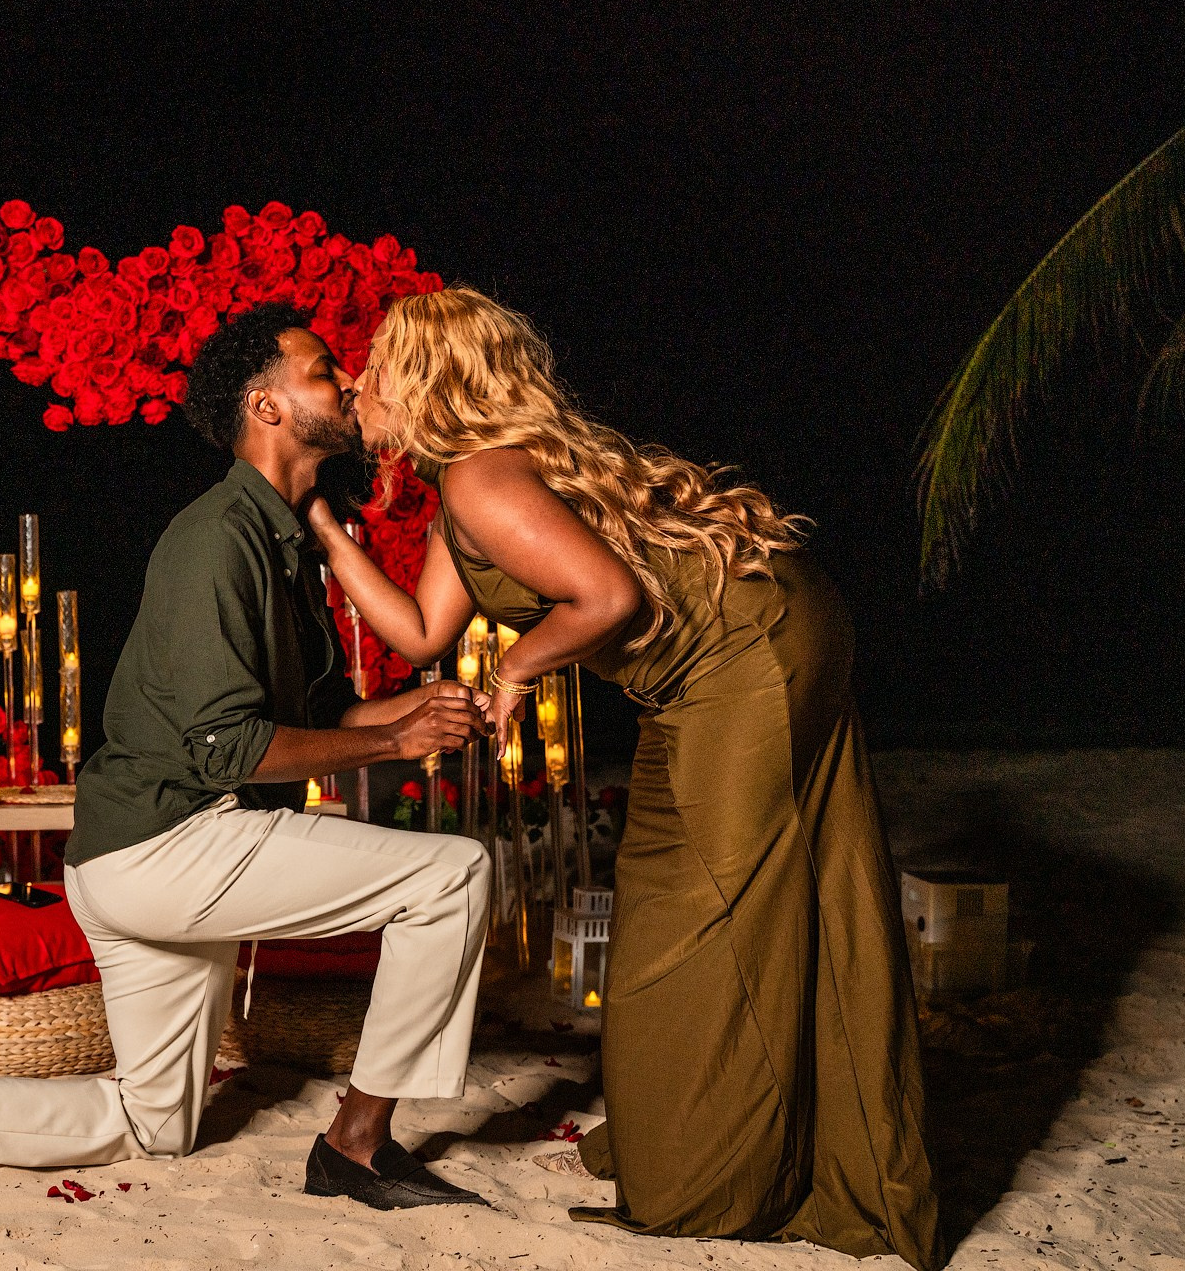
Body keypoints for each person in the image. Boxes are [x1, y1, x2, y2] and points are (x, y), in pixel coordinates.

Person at [0, 302, 497, 1211]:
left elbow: (320, 715)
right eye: (324, 371)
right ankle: (356, 1144)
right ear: (266, 406)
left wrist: (421, 710)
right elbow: (226, 746)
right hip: (171, 845)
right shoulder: (215, 539)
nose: (350, 382)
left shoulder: (284, 539)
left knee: (157, 1124)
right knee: (454, 874)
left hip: (134, 863)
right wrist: (398, 740)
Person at [306, 285, 943, 1269]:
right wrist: (322, 524)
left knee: (710, 919)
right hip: (715, 667)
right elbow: (418, 632)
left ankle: (719, 1180)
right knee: (658, 903)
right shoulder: (457, 496)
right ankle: (706, 1140)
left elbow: (605, 594)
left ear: (428, 379)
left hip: (748, 650)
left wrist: (515, 670)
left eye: (378, 363)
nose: (357, 380)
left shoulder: (481, 479)